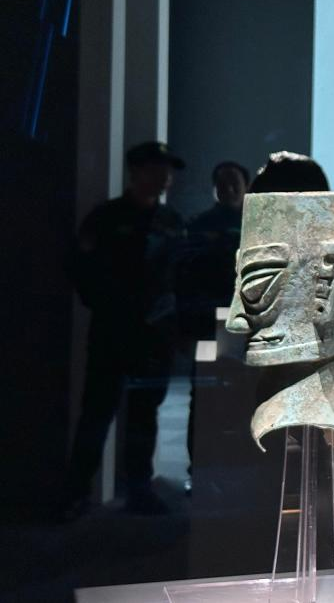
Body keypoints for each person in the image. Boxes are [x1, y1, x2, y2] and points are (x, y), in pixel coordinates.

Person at [61, 142, 186, 518]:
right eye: (157, 169)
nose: (165, 177)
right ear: (136, 172)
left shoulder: (171, 221)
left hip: (154, 336)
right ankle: (76, 492)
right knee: (98, 412)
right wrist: (109, 305)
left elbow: (180, 274)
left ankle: (139, 491)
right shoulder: (106, 218)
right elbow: (81, 268)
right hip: (113, 333)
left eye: (168, 170)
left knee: (144, 415)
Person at [175, 161, 249, 491]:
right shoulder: (199, 226)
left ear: (246, 186)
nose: (228, 189)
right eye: (222, 182)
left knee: (240, 397)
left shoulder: (257, 225)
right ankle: (200, 471)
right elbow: (185, 277)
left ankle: (232, 471)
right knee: (204, 398)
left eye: (234, 182)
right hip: (207, 324)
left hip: (243, 325)